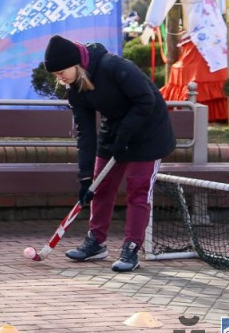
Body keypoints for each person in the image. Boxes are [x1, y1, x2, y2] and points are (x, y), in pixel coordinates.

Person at [43, 34, 176, 272]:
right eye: (55, 75)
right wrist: (84, 178)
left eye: (61, 72)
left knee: (138, 190)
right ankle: (97, 242)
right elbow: (85, 134)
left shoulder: (114, 66)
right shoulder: (75, 89)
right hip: (114, 130)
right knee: (100, 187)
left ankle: (132, 247)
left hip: (149, 132)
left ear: (76, 64)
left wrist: (125, 136)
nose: (59, 78)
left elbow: (146, 100)